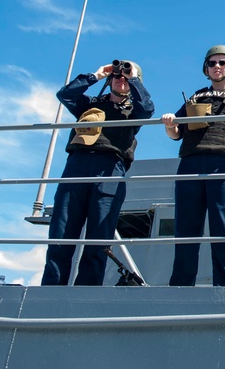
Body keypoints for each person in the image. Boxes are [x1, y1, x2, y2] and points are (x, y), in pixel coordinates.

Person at [42, 59, 154, 286]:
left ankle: (86, 291)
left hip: (110, 170)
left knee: (98, 239)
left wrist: (133, 79)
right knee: (61, 235)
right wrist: (96, 75)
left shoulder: (134, 111)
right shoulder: (91, 105)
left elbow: (148, 109)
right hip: (77, 167)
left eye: (126, 77)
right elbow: (66, 95)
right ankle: (51, 290)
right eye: (117, 76)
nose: (120, 79)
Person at [161, 45, 225, 287]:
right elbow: (176, 134)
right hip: (191, 164)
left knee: (224, 230)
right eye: (212, 63)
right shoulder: (196, 97)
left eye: (222, 63)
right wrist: (169, 123)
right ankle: (181, 288)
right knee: (185, 230)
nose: (217, 67)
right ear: (206, 68)